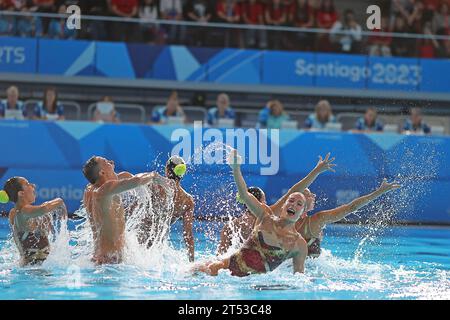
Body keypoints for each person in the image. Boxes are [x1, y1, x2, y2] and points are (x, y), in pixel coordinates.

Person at [194, 149, 335, 276]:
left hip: (237, 273)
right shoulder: (266, 215)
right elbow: (293, 190)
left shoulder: (298, 244)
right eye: (291, 201)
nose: (293, 205)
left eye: (299, 204)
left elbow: (298, 277)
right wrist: (236, 168)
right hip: (228, 270)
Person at [217, 153, 336, 256]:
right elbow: (296, 189)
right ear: (260, 202)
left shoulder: (230, 227)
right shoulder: (267, 215)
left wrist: (236, 168)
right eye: (265, 201)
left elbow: (221, 255)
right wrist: (317, 171)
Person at [82, 156, 167, 265]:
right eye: (106, 162)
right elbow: (137, 181)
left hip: (101, 257)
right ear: (102, 173)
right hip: (109, 261)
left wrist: (112, 171)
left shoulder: (90, 190)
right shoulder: (104, 190)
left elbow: (124, 178)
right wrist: (153, 176)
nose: (111, 161)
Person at [295, 180, 400, 257]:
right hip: (311, 270)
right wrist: (378, 192)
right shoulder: (317, 220)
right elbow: (351, 207)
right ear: (301, 201)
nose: (313, 195)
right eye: (309, 194)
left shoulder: (281, 221)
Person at [135, 156, 195, 261]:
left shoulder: (154, 186)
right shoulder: (187, 200)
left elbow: (136, 182)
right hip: (157, 246)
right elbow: (188, 236)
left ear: (167, 170)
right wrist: (192, 263)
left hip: (137, 241)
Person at [0, 177, 67, 266]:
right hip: (35, 271)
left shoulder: (13, 213)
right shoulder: (24, 211)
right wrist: (59, 201)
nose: (33, 186)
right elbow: (44, 208)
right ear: (21, 193)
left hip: (28, 266)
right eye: (27, 184)